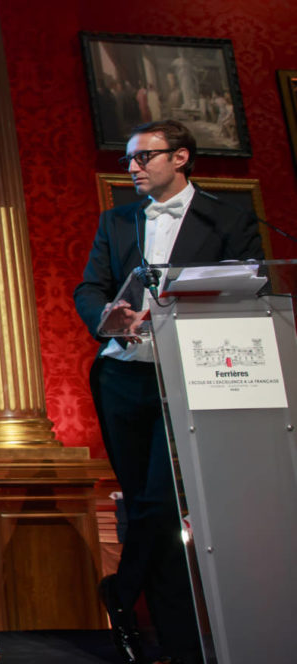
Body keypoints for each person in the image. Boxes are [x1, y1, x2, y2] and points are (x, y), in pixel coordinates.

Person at [74, 120, 261, 664]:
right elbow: (90, 287)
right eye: (129, 159)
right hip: (122, 374)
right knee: (143, 501)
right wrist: (107, 316)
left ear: (180, 158)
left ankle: (121, 591)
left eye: (144, 157)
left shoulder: (226, 216)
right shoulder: (117, 219)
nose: (132, 167)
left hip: (192, 373)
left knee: (160, 501)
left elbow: (253, 286)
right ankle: (177, 642)